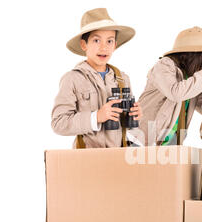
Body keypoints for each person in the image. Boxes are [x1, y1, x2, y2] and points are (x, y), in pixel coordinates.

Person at [52, 8, 143, 148]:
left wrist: (135, 116)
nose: (103, 48)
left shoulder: (122, 79)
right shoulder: (72, 79)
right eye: (96, 40)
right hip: (87, 159)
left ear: (115, 45)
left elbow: (129, 129)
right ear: (84, 44)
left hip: (119, 158)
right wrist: (96, 117)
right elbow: (59, 123)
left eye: (109, 41)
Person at [137, 26, 202, 146]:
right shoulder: (164, 65)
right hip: (141, 143)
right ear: (195, 55)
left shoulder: (192, 81)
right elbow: (175, 93)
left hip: (169, 147)